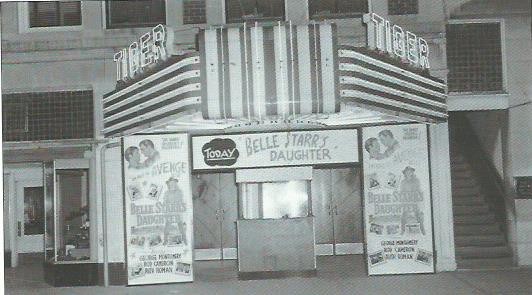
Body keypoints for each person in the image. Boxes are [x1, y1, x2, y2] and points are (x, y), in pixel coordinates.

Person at [163, 177, 187, 245]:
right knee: (167, 227)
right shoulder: (166, 193)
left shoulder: (179, 192)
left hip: (177, 212)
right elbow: (164, 202)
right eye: (170, 183)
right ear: (168, 184)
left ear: (175, 183)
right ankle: (165, 241)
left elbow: (181, 201)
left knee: (181, 227)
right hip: (169, 212)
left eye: (173, 182)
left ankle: (185, 241)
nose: (172, 184)